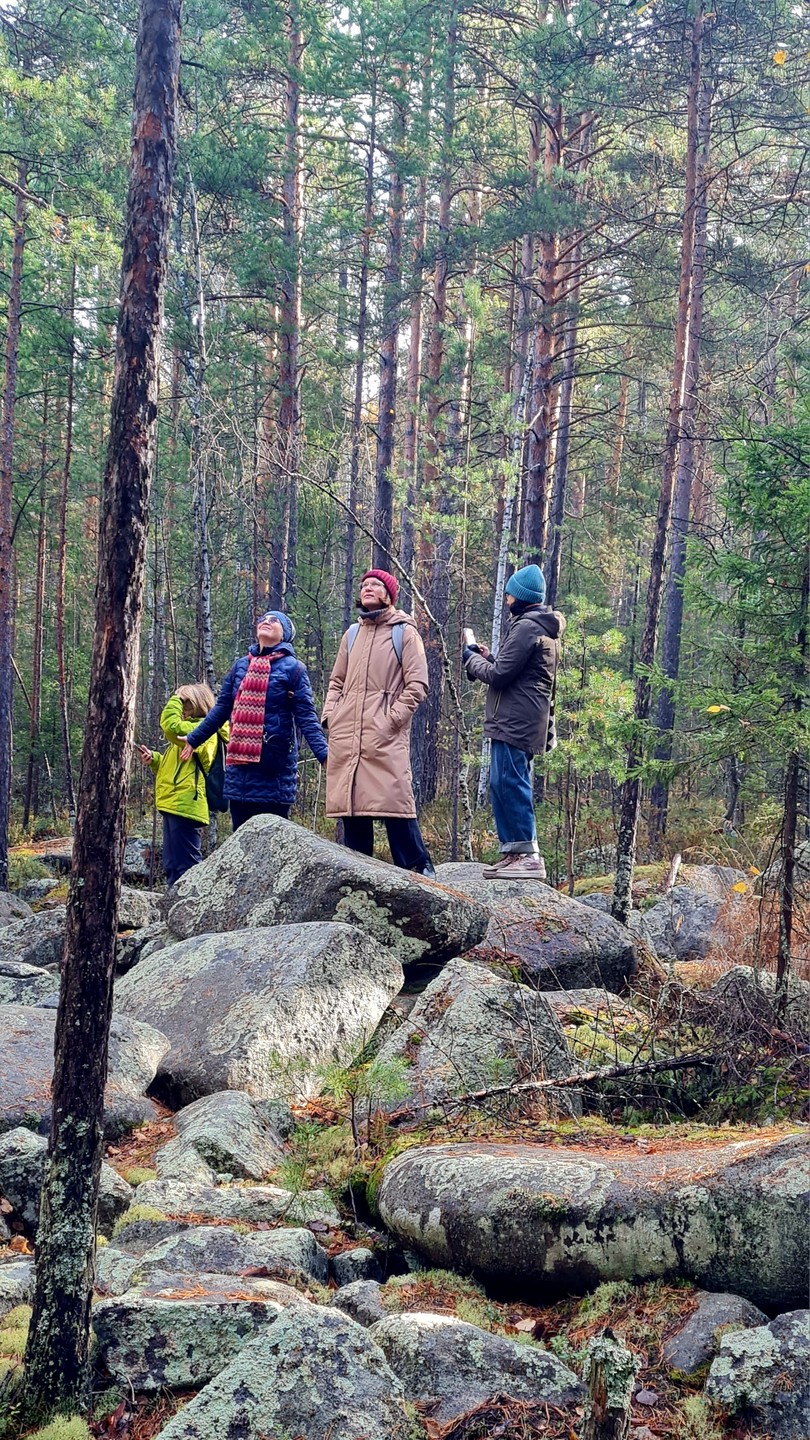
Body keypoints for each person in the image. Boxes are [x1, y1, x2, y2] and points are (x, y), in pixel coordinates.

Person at [323, 568, 435, 875]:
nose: (368, 588)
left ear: (389, 594)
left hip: (384, 730)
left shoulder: (404, 632)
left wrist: (392, 720)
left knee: (394, 799)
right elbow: (336, 682)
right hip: (347, 730)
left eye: (376, 584)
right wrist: (331, 717)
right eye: (364, 585)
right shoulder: (352, 634)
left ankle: (418, 866)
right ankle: (359, 874)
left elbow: (417, 684)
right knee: (352, 804)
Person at [181, 610, 327, 830]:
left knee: (274, 841)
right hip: (239, 771)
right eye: (263, 620)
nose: (266, 622)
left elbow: (306, 717)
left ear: (285, 634)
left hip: (273, 769)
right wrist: (194, 739)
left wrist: (324, 755)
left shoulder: (294, 669)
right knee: (242, 839)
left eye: (274, 621)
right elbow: (220, 711)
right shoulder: (240, 666)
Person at [464, 563, 565, 880]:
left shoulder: (526, 628)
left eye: (509, 594)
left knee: (510, 783)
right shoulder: (534, 627)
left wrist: (472, 659)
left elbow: (499, 675)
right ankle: (514, 852)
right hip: (519, 718)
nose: (507, 599)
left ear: (521, 597)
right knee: (502, 783)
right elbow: (511, 670)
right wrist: (488, 656)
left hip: (515, 722)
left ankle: (529, 857)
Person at [137, 683, 226, 886]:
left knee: (187, 865)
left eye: (185, 703)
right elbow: (176, 767)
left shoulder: (205, 730)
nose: (182, 708)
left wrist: (175, 698)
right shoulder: (191, 730)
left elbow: (171, 727)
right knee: (172, 864)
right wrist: (156, 760)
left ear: (198, 704)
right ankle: (174, 910)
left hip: (187, 804)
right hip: (174, 802)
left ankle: (196, 909)